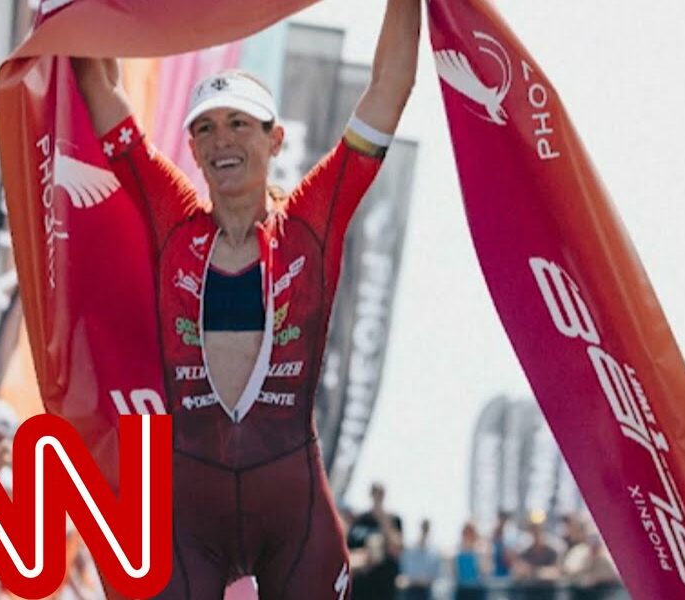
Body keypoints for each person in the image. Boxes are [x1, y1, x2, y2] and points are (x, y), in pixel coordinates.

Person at [71, 0, 420, 595]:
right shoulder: (172, 220)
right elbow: (102, 87)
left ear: (275, 139)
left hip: (293, 515)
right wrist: (81, 12)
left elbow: (390, 85)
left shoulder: (311, 222)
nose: (221, 140)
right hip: (189, 517)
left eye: (238, 123)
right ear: (193, 149)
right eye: (205, 128)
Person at [347, 482, 405, 600]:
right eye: (375, 493)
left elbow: (397, 549)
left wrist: (383, 520)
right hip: (359, 586)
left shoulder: (393, 520)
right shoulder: (360, 520)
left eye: (380, 494)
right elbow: (348, 550)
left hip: (383, 587)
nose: (377, 497)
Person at [399, 519, 442, 600]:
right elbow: (404, 572)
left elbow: (435, 575)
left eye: (426, 528)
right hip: (411, 591)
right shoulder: (409, 550)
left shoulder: (434, 552)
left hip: (426, 592)